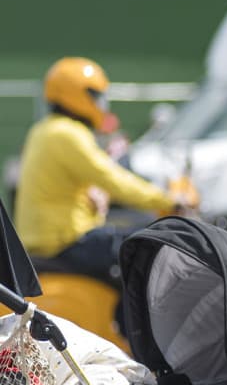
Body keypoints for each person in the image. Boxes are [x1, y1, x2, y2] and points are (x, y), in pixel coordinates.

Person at [14, 57, 184, 283]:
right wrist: (167, 200)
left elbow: (61, 186)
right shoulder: (68, 134)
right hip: (67, 241)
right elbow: (112, 179)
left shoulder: (43, 130)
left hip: (44, 239)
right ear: (80, 95)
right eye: (97, 97)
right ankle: (133, 318)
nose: (101, 105)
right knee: (147, 246)